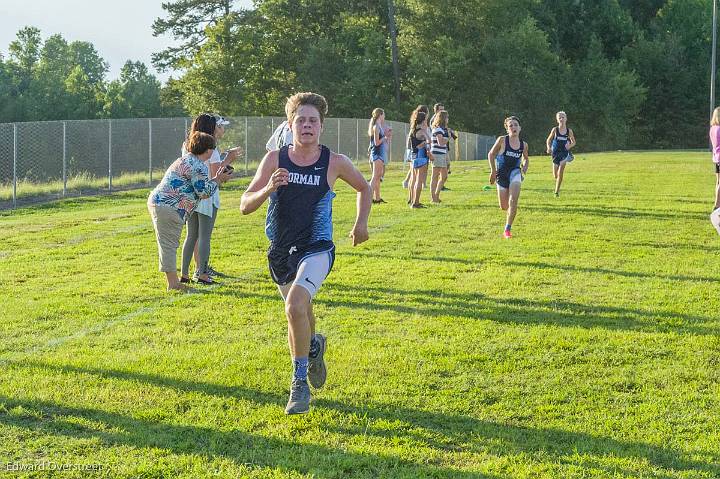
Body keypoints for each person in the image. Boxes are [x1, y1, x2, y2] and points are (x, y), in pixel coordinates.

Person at [240, 92, 371, 415]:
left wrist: (361, 224)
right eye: (301, 120)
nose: (307, 126)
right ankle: (313, 346)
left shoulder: (334, 161)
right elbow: (244, 205)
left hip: (317, 248)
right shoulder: (274, 160)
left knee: (295, 304)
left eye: (313, 121)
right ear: (290, 125)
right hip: (281, 252)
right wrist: (269, 188)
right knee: (302, 311)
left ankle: (298, 384)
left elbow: (364, 188)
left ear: (322, 127)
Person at [148, 132, 232, 291]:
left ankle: (174, 282)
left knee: (168, 243)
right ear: (207, 150)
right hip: (169, 207)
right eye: (212, 149)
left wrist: (216, 179)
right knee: (169, 244)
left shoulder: (185, 159)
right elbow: (204, 192)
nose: (213, 152)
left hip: (161, 203)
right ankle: (173, 284)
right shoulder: (198, 166)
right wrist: (219, 180)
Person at [180, 114, 242, 284]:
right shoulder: (211, 148)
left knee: (191, 235)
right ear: (210, 128)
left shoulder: (187, 145)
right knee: (204, 236)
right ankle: (202, 274)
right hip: (207, 195)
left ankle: (185, 274)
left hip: (192, 193)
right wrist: (229, 159)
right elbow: (216, 174)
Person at [488, 116, 529, 238]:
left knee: (513, 201)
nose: (513, 127)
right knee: (504, 206)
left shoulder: (524, 145)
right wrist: (493, 171)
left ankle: (507, 229)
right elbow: (491, 154)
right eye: (510, 125)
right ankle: (509, 214)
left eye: (516, 125)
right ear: (507, 129)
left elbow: (526, 158)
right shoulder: (502, 140)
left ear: (520, 128)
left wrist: (525, 166)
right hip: (501, 174)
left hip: (515, 172)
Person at [545, 111, 576, 197]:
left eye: (563, 117)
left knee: (560, 172)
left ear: (566, 119)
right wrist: (548, 147)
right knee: (555, 175)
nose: (561, 119)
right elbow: (548, 139)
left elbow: (574, 142)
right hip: (555, 154)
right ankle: (557, 184)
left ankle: (556, 192)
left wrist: (569, 146)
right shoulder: (555, 130)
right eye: (559, 118)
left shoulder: (569, 131)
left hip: (564, 153)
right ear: (557, 120)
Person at [368, 108, 392, 204]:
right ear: (380, 115)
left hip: (380, 154)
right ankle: (368, 197)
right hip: (377, 154)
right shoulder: (376, 127)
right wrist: (385, 137)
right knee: (375, 177)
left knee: (378, 177)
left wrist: (386, 135)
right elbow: (376, 142)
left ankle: (377, 198)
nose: (384, 116)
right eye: (384, 114)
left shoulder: (379, 126)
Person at [408, 111, 431, 208]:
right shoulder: (421, 131)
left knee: (415, 179)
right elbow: (429, 140)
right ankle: (416, 203)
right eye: (426, 119)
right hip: (421, 157)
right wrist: (425, 133)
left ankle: (413, 200)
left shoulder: (412, 130)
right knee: (419, 180)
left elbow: (412, 144)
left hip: (414, 156)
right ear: (423, 120)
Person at [430, 110, 450, 203]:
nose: (448, 119)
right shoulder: (437, 129)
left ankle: (436, 195)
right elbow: (441, 142)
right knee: (435, 176)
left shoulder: (442, 129)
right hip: (437, 154)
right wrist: (448, 137)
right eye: (447, 117)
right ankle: (433, 198)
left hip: (442, 154)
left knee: (444, 176)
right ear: (443, 118)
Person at [709, 107, 720, 234]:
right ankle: (717, 204)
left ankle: (717, 203)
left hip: (716, 157)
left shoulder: (713, 128)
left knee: (718, 182)